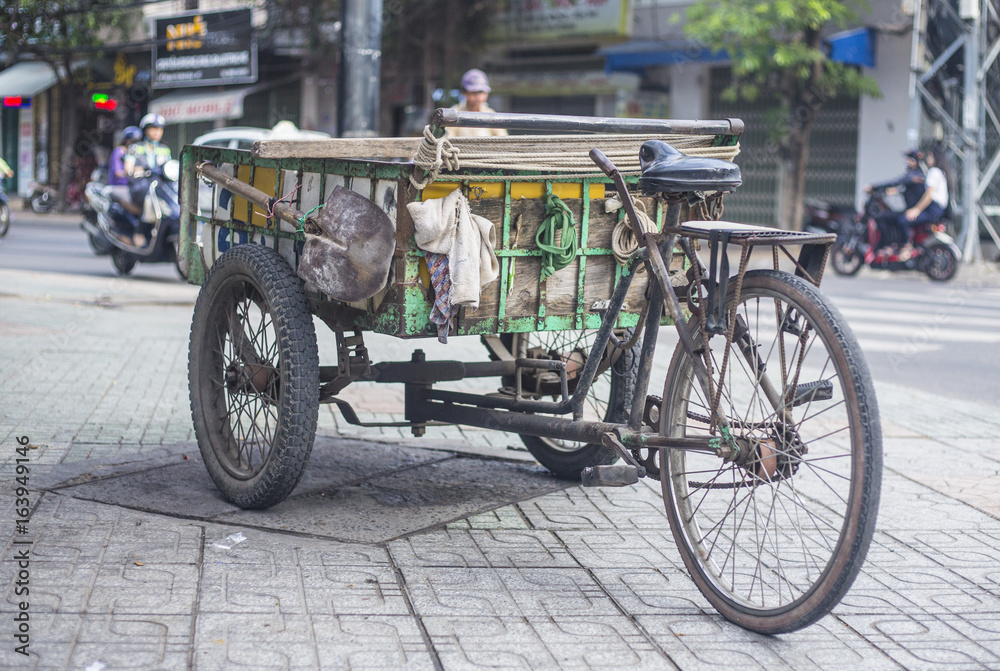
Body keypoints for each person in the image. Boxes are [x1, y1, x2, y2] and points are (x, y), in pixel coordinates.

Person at [865, 149, 926, 249]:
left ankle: (888, 245)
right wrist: (897, 191)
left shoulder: (913, 175)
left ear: (914, 162)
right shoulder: (918, 174)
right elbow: (911, 190)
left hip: (911, 211)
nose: (906, 162)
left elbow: (894, 181)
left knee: (881, 217)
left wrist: (874, 187)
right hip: (912, 209)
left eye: (909, 159)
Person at [446, 69, 508, 138]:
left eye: (481, 92)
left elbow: (503, 140)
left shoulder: (491, 115)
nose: (478, 97)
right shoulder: (454, 114)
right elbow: (448, 141)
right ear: (464, 92)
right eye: (474, 93)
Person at [109, 126, 143, 216]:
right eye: (132, 141)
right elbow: (118, 173)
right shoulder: (120, 151)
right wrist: (132, 172)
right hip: (120, 186)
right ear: (126, 140)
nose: (134, 144)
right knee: (136, 209)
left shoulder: (138, 153)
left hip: (135, 187)